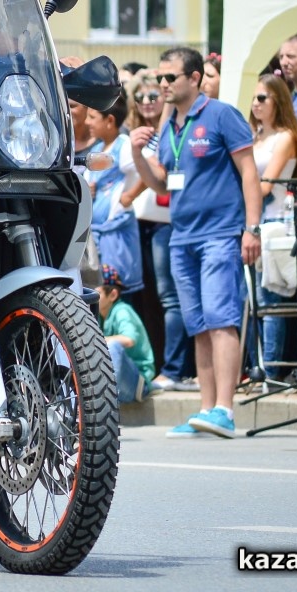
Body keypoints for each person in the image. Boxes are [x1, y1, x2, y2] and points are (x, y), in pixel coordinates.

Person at [130, 47, 263, 439]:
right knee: (199, 326)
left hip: (220, 234)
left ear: (194, 78)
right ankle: (206, 409)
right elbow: (160, 185)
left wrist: (252, 229)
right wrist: (137, 153)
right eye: (159, 77)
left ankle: (225, 409)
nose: (163, 84)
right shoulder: (171, 124)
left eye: (170, 77)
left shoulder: (221, 115)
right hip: (182, 237)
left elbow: (250, 173)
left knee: (221, 321)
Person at [122, 70, 196, 392]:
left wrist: (128, 195)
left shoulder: (169, 130)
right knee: (149, 299)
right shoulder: (130, 131)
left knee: (170, 297)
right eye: (141, 97)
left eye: (154, 95)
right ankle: (158, 365)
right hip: (139, 223)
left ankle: (175, 367)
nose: (148, 102)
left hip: (167, 220)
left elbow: (156, 169)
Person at [247, 74, 297, 380]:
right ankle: (255, 369)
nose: (255, 104)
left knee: (269, 298)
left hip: (275, 223)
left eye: (262, 98)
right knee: (251, 302)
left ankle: (270, 372)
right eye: (254, 97)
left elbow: (265, 186)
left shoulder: (284, 137)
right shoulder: (254, 137)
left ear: (278, 101)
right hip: (251, 222)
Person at [84, 94, 143, 297]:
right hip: (98, 235)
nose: (87, 122)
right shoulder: (98, 149)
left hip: (116, 234)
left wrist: (129, 196)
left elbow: (148, 169)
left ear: (110, 120)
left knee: (118, 292)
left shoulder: (124, 145)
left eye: (93, 117)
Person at [98, 264, 155, 403]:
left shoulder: (122, 310)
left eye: (96, 293)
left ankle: (105, 404)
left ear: (113, 295)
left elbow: (129, 339)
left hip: (137, 383)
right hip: (121, 384)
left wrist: (97, 339)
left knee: (113, 347)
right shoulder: (98, 315)